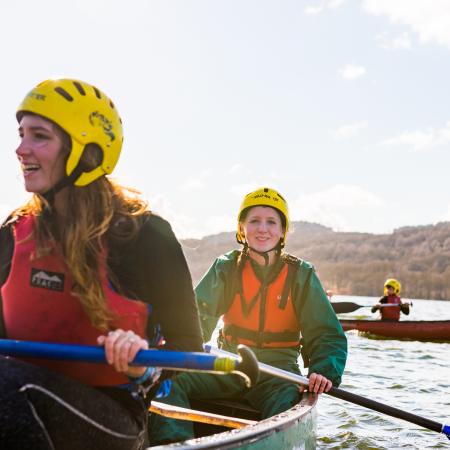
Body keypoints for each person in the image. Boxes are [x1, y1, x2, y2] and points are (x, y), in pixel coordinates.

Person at [0, 78, 203, 450]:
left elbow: (188, 346)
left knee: (7, 385)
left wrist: (144, 364)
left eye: (39, 136)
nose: (20, 148)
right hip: (15, 402)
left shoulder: (147, 235)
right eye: (21, 133)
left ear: (88, 153)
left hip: (114, 417)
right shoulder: (11, 233)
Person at [149, 187, 348, 445]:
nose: (262, 229)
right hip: (230, 362)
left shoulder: (301, 274)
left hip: (279, 374)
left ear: (282, 231)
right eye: (254, 221)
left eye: (271, 222)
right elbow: (197, 315)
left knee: (287, 405)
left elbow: (326, 332)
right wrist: (175, 350)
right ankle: (175, 444)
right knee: (167, 382)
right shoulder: (226, 267)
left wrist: (323, 370)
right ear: (242, 228)